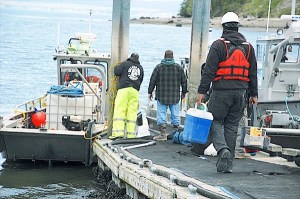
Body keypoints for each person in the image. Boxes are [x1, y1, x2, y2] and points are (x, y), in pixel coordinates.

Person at [196, 12, 258, 173]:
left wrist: (202, 92)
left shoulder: (218, 45)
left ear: (223, 27)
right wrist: (254, 95)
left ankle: (222, 149)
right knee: (231, 126)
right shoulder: (249, 47)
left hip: (220, 92)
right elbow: (253, 73)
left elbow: (209, 71)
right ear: (237, 26)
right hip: (241, 94)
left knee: (214, 121)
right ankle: (228, 165)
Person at [148, 50, 188, 141]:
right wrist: (184, 92)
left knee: (161, 115)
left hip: (162, 95)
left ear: (164, 57)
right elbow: (184, 81)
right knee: (175, 115)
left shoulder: (158, 68)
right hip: (174, 96)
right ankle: (176, 133)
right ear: (172, 57)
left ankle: (162, 134)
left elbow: (152, 81)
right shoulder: (178, 68)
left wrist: (150, 92)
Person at [111, 53, 144, 139]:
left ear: (130, 57)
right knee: (132, 113)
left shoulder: (125, 64)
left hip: (124, 89)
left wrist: (117, 66)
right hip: (135, 91)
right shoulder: (140, 68)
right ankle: (131, 135)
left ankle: (118, 134)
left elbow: (117, 72)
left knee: (120, 110)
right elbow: (141, 79)